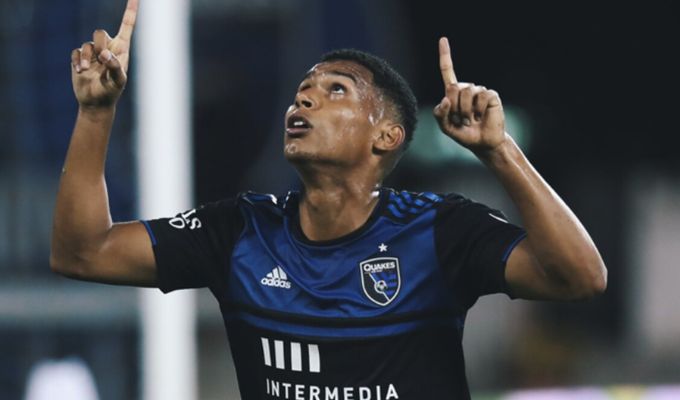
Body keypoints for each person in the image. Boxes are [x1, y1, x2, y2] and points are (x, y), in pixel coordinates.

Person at [50, 0, 607, 398]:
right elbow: (82, 253)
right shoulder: (242, 232)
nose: (305, 100)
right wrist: (96, 113)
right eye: (302, 93)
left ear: (386, 135)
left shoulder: (439, 231)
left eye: (335, 89)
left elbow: (581, 278)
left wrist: (500, 151)